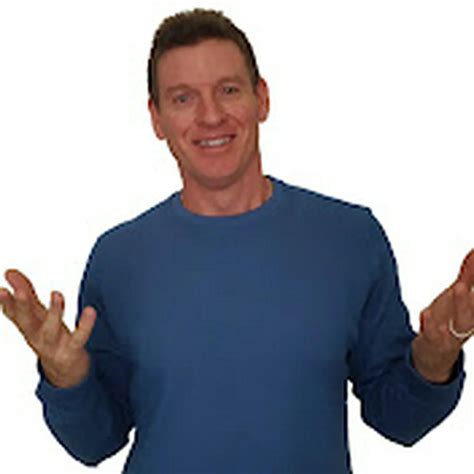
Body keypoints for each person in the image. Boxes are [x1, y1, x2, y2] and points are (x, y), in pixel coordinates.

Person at [0, 8, 473, 473]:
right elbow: (95, 443)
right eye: (183, 98)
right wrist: (67, 377)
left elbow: (399, 420)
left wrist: (437, 351)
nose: (210, 116)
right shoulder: (118, 258)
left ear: (261, 98)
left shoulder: (350, 238)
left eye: (228, 90)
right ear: (157, 118)